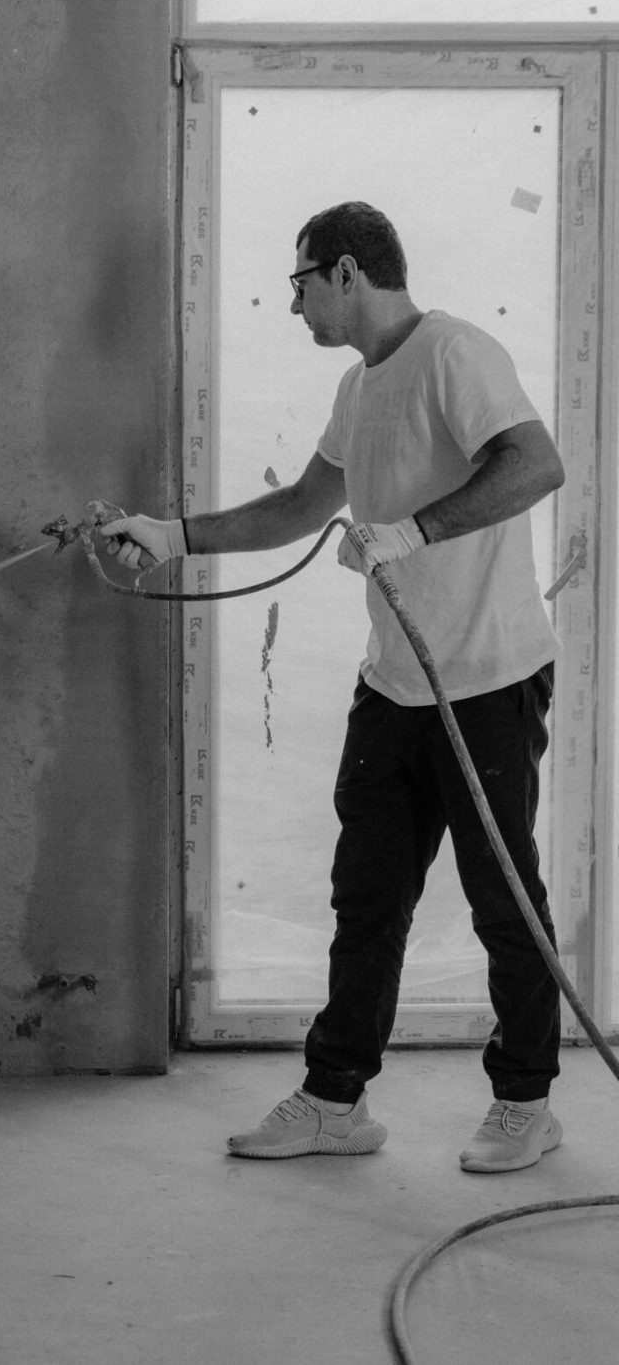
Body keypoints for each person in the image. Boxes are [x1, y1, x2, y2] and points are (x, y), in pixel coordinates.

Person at [101, 201, 567, 1174]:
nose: (294, 304)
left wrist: (413, 531)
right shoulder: (361, 389)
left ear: (347, 272)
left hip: (484, 682)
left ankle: (525, 1101)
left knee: (501, 898)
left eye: (300, 282)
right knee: (366, 899)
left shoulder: (453, 353)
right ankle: (333, 1098)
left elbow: (535, 464)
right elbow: (302, 505)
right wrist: (171, 534)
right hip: (393, 688)